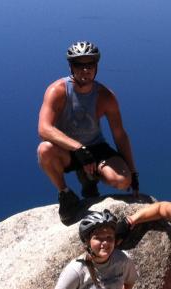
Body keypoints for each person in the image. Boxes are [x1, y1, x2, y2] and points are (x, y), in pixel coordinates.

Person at [37, 41, 139, 224]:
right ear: (71, 66)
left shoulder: (106, 96)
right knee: (44, 150)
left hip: (97, 148)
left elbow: (119, 134)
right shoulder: (57, 91)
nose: (85, 70)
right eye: (79, 65)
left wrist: (133, 171)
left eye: (90, 65)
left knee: (123, 180)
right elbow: (44, 129)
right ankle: (65, 194)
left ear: (96, 66)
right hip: (68, 149)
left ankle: (89, 178)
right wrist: (78, 148)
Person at [45, 210, 139, 289]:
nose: (105, 242)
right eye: (98, 238)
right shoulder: (76, 271)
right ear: (87, 241)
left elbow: (130, 281)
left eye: (110, 237)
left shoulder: (121, 260)